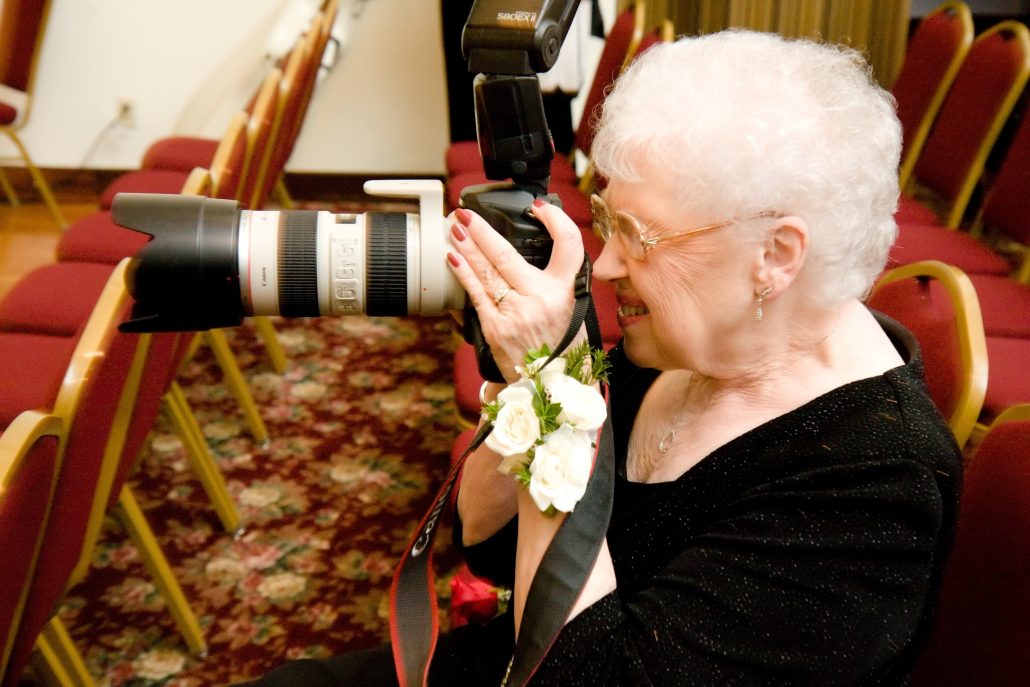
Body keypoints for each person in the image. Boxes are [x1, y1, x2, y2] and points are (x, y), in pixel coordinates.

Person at [242, 29, 962, 686]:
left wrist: (557, 391)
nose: (607, 264)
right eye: (606, 222)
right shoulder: (698, 339)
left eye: (638, 236)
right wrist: (530, 382)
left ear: (775, 255)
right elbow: (492, 545)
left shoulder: (874, 482)